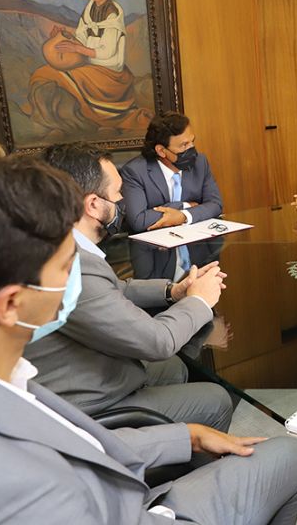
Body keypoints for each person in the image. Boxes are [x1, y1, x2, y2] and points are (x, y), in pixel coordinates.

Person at [0, 155, 297, 525]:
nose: (75, 278)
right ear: (10, 304)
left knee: (182, 377)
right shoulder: (13, 481)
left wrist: (185, 438)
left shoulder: (7, 378)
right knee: (290, 453)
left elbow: (78, 444)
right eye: (66, 267)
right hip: (143, 511)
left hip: (118, 478)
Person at [23, 142, 234, 432]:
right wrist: (198, 301)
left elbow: (111, 289)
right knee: (216, 399)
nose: (123, 200)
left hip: (74, 368)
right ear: (93, 204)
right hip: (83, 401)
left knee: (174, 367)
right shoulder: (71, 263)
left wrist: (172, 291)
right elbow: (157, 341)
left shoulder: (48, 240)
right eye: (117, 193)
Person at [23, 0, 152, 136]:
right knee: (44, 73)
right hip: (89, 63)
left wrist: (78, 48)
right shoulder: (90, 8)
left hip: (108, 70)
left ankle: (79, 123)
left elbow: (107, 52)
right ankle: (52, 118)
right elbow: (82, 36)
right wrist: (64, 36)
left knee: (58, 77)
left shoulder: (113, 13)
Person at [121, 111, 224, 232]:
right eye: (184, 145)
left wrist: (183, 216)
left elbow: (215, 205)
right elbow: (138, 220)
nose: (191, 149)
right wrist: (185, 206)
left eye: (192, 141)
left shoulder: (200, 163)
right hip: (156, 241)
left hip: (194, 237)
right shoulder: (135, 171)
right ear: (161, 151)